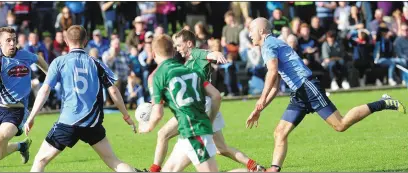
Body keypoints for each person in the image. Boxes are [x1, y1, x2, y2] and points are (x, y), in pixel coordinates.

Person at [245, 17, 406, 172]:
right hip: (299, 92)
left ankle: (383, 103)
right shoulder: (272, 44)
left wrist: (260, 99)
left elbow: (272, 73)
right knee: (279, 132)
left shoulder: (268, 45)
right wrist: (260, 108)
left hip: (307, 87)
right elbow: (274, 87)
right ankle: (274, 169)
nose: (250, 34)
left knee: (340, 125)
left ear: (261, 30)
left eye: (251, 30)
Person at [23, 25, 138, 172]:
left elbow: (44, 90)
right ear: (86, 40)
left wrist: (31, 117)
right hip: (92, 123)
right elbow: (114, 91)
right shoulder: (96, 63)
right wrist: (126, 116)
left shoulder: (59, 62)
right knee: (113, 161)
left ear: (66, 40)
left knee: (40, 160)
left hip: (68, 122)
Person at [146, 29, 263, 172]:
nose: (177, 49)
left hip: (198, 107)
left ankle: (154, 169)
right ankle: (254, 167)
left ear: (189, 44)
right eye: (175, 46)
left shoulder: (195, 53)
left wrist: (217, 54)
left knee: (163, 134)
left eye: (179, 45)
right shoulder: (185, 65)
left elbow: (210, 54)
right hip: (208, 104)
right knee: (221, 148)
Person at [138, 34, 221, 172]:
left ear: (153, 54)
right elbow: (216, 96)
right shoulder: (191, 70)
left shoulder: (158, 75)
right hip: (187, 132)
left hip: (193, 131)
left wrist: (147, 127)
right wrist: (210, 120)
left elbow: (158, 113)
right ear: (173, 51)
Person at [0, 27, 49, 172]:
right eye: (8, 40)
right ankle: (21, 146)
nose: (12, 43)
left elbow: (39, 59)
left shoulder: (24, 55)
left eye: (14, 40)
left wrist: (50, 76)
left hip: (17, 110)